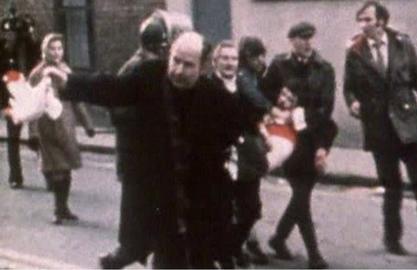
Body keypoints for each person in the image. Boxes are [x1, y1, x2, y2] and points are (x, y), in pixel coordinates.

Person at [44, 31, 240, 269]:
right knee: (166, 258)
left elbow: (236, 137)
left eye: (188, 65)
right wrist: (71, 82)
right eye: (175, 60)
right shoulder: (149, 74)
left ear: (203, 67)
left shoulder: (216, 98)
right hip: (159, 199)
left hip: (197, 205)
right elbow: (113, 88)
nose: (178, 70)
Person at [343, 1, 417, 265]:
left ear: (381, 22)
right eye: (360, 20)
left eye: (367, 20)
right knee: (391, 186)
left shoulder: (403, 43)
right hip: (379, 128)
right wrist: (353, 103)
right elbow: (348, 87)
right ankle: (392, 238)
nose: (362, 25)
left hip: (407, 125)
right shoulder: (355, 51)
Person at [100, 10, 193, 269]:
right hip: (137, 156)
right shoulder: (134, 69)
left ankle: (136, 255)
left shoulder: (162, 67)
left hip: (156, 157)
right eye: (158, 47)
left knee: (158, 222)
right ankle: (120, 258)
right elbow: (118, 111)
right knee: (145, 220)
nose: (160, 51)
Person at [261, 21, 337, 269]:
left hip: (316, 136)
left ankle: (278, 238)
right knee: (301, 193)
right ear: (291, 40)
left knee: (302, 192)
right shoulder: (279, 65)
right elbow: (265, 95)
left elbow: (326, 107)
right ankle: (314, 254)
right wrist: (279, 110)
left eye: (310, 38)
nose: (307, 43)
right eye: (301, 38)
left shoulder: (324, 69)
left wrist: (321, 147)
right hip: (289, 137)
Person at [27, 33, 95, 225]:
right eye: (52, 48)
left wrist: (87, 124)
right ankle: (58, 210)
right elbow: (33, 105)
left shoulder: (66, 70)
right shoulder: (37, 74)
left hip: (66, 125)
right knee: (58, 169)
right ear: (44, 50)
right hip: (47, 126)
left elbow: (77, 100)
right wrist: (32, 132)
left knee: (66, 168)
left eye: (59, 48)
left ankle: (64, 208)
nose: (56, 53)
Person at [235, 36, 271, 266]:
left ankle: (249, 241)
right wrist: (272, 110)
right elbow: (257, 101)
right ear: (247, 57)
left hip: (252, 143)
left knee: (248, 197)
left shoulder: (254, 74)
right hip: (242, 145)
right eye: (257, 56)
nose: (261, 60)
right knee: (245, 199)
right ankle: (241, 244)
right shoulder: (243, 77)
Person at [0, 8, 40, 189]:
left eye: (13, 33)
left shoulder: (30, 49)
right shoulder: (3, 53)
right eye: (7, 33)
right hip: (12, 99)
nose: (10, 37)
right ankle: (15, 176)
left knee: (38, 137)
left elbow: (38, 61)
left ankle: (47, 173)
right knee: (13, 139)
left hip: (31, 95)